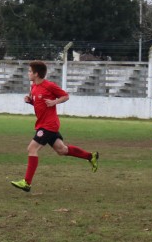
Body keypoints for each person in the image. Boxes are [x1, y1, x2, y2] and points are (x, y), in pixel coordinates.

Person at [11, 60, 99, 192]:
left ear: (36, 73)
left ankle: (27, 182)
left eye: (30, 71)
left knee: (32, 149)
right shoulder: (33, 86)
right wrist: (30, 102)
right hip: (44, 123)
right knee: (62, 150)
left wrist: (54, 102)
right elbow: (39, 104)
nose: (28, 73)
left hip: (48, 125)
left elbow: (65, 96)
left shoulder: (49, 85)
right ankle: (90, 156)